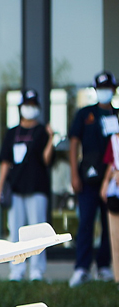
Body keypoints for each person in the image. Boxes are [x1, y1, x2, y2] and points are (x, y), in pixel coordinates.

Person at [0, 89, 54, 281]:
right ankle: (16, 270)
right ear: (21, 107)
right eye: (28, 105)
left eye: (34, 105)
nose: (30, 109)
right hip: (16, 188)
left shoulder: (42, 131)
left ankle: (37, 270)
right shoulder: (12, 133)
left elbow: (46, 159)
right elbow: (5, 162)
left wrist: (51, 138)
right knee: (16, 231)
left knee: (37, 232)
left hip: (37, 187)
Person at [68, 71, 117, 286]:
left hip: (112, 179)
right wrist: (73, 173)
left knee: (110, 224)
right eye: (101, 88)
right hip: (87, 177)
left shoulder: (117, 115)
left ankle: (104, 266)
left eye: (108, 88)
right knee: (86, 222)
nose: (104, 92)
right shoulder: (85, 114)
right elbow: (74, 143)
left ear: (114, 90)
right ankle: (82, 268)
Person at [98, 131, 119, 283]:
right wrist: (106, 181)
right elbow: (112, 163)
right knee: (115, 238)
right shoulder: (114, 139)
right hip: (115, 197)